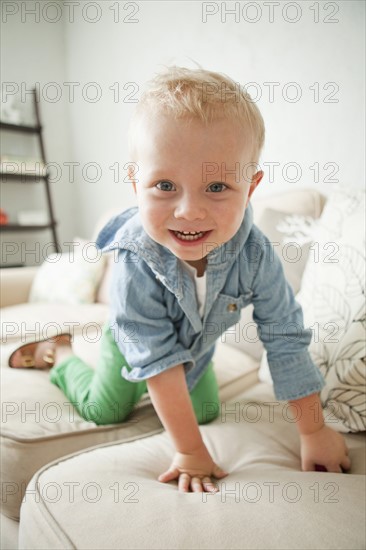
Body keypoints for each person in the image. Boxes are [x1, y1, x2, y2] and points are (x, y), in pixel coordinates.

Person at [9, 66, 351, 493]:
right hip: (134, 339)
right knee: (107, 408)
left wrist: (313, 431)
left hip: (198, 347)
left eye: (217, 186)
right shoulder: (136, 259)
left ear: (250, 187)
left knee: (205, 410)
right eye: (165, 184)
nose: (189, 210)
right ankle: (58, 355)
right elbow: (158, 360)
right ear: (136, 184)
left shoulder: (256, 253)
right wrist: (190, 450)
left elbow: (284, 336)